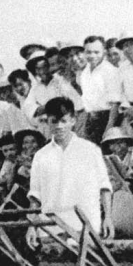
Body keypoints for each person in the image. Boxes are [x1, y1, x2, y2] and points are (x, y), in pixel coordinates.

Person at [29, 97, 113, 236]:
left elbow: (104, 187)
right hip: (50, 229)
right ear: (47, 121)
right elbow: (35, 196)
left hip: (84, 227)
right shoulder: (41, 156)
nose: (59, 126)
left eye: (64, 121)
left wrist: (108, 218)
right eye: (54, 121)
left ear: (73, 120)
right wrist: (32, 227)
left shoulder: (90, 150)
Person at [79, 35, 125, 144]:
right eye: (88, 52)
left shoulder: (110, 71)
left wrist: (109, 128)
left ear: (104, 52)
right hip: (90, 120)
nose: (92, 56)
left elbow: (115, 104)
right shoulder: (84, 72)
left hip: (107, 118)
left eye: (96, 52)